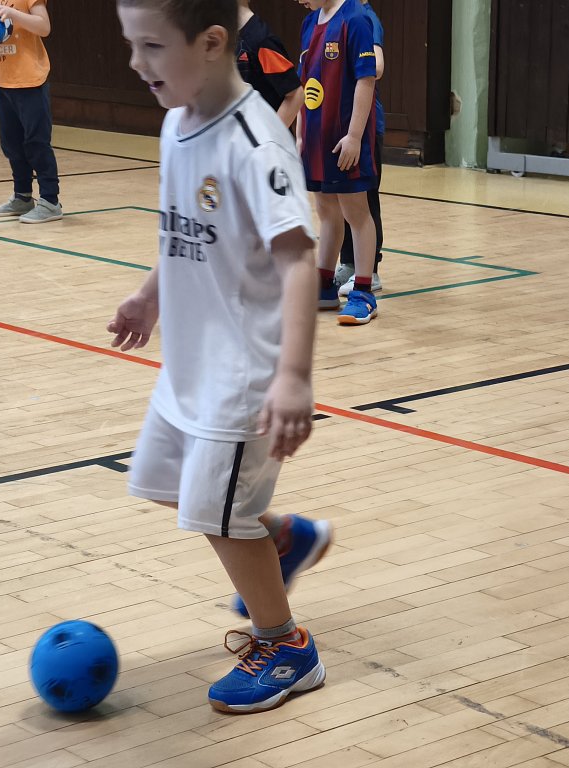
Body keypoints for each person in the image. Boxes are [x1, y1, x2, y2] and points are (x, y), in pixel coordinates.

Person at [113, 0, 333, 714]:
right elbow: (180, 227)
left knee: (216, 512)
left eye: (151, 46)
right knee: (170, 486)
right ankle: (281, 543)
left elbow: (298, 262)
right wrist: (149, 296)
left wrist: (293, 376)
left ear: (212, 43)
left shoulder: (255, 144)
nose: (135, 63)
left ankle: (286, 647)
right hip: (189, 364)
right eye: (131, 44)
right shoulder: (177, 122)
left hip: (246, 376)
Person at [296, 0, 379, 325]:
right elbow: (305, 83)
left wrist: (355, 136)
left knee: (355, 212)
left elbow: (366, 80)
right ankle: (324, 284)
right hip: (316, 139)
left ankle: (363, 292)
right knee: (326, 210)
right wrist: (300, 134)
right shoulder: (309, 23)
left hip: (345, 136)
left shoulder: (355, 19)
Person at [0, 0, 62, 224]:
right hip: (2, 80)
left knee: (36, 143)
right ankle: (22, 197)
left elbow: (44, 27)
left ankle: (50, 201)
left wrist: (12, 13)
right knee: (11, 143)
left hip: (30, 80)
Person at [337, 0, 384, 295]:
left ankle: (371, 269)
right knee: (343, 198)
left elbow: (376, 66)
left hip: (367, 126)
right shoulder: (333, 17)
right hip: (341, 124)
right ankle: (349, 263)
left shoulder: (365, 18)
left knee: (366, 198)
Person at [236, 0, 303, 126]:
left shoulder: (261, 40)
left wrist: (271, 134)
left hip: (263, 135)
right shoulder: (226, 37)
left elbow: (296, 95)